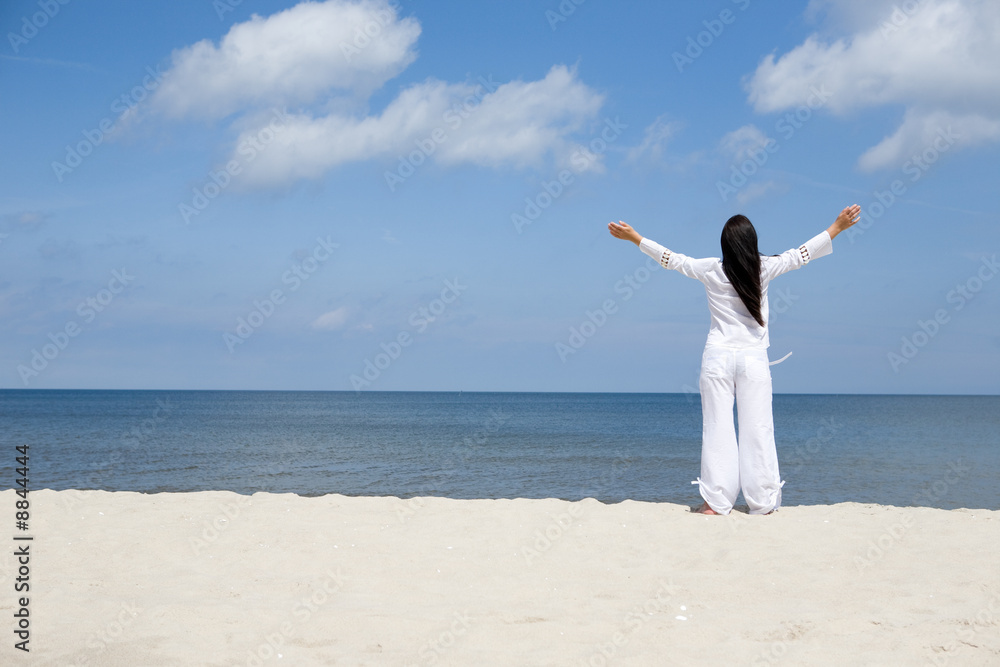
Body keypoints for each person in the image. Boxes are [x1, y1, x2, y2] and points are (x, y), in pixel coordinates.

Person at [608, 205, 862, 515]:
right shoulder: (764, 267)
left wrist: (636, 238)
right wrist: (836, 226)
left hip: (717, 358)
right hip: (753, 361)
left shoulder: (711, 269)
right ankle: (764, 503)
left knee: (718, 429)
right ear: (752, 243)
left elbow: (672, 260)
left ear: (724, 245)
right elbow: (801, 255)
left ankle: (716, 503)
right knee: (758, 429)